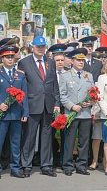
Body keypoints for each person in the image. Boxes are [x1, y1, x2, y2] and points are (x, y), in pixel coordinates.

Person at [19, 36, 60, 178]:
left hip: (48, 105)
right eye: (38, 46)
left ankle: (46, 165)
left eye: (43, 46)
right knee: (29, 137)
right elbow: (22, 87)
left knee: (47, 137)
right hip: (32, 104)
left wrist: (57, 103)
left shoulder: (50, 62)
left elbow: (54, 84)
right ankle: (26, 165)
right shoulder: (24, 63)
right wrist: (23, 106)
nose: (41, 48)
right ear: (33, 47)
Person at [59, 48, 94, 176]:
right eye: (78, 60)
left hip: (85, 113)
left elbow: (93, 93)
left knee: (84, 141)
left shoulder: (88, 75)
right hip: (71, 113)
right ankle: (67, 165)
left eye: (82, 60)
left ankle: (81, 165)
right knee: (70, 140)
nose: (81, 62)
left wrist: (90, 102)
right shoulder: (65, 76)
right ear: (72, 61)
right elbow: (62, 95)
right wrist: (72, 106)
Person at [0, 46, 29, 179]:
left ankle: (15, 168)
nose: (10, 59)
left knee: (15, 142)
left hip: (16, 113)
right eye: (7, 57)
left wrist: (25, 112)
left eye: (12, 57)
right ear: (2, 58)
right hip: (2, 114)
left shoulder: (20, 74)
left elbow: (25, 95)